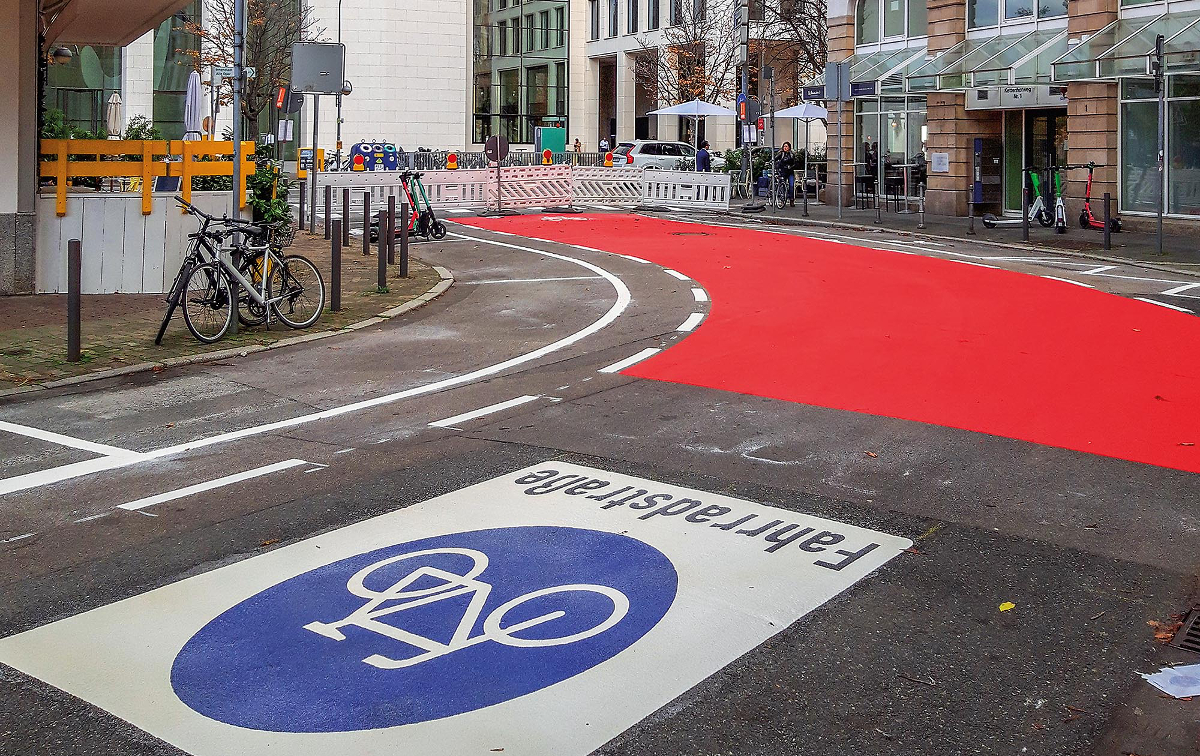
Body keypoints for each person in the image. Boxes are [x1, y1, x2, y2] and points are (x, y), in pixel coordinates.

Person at [776, 141, 797, 207]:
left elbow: (795, 163)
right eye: (784, 146)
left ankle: (791, 200)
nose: (785, 148)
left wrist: (791, 166)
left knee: (791, 186)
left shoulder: (792, 154)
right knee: (782, 186)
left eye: (786, 146)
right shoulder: (781, 154)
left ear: (789, 148)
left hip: (790, 172)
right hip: (783, 172)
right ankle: (782, 200)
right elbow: (775, 159)